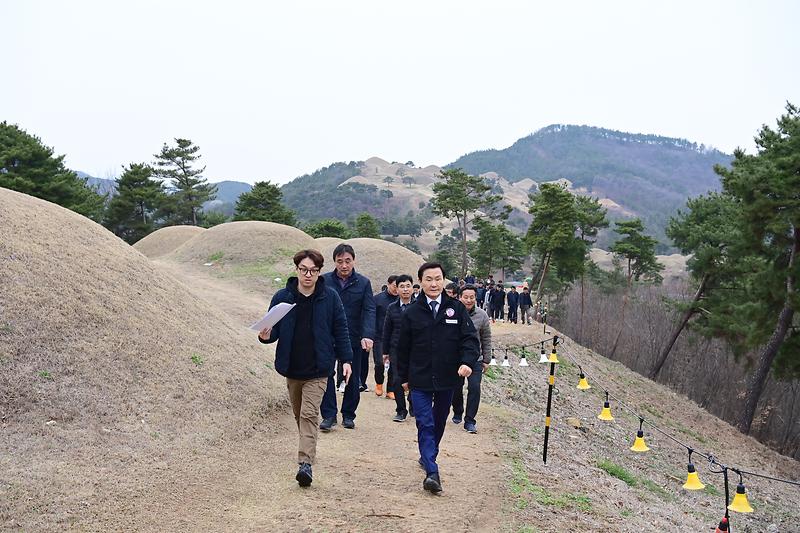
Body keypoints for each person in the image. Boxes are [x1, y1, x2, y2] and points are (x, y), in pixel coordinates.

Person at [258, 249, 353, 487]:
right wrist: (265, 335)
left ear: (319, 272)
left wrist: (346, 360)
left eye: (313, 270)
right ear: (297, 270)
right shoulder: (282, 296)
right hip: (292, 367)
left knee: (309, 414)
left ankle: (305, 464)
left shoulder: (330, 297)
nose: (308, 275)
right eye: (303, 270)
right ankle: (308, 449)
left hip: (319, 369)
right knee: (300, 415)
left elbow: (340, 329)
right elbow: (272, 331)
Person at [397, 262, 480, 493]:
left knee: (439, 421)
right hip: (420, 378)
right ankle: (432, 472)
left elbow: (470, 340)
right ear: (420, 282)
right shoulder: (412, 313)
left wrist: (466, 362)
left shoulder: (456, 309)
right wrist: (402, 377)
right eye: (428, 279)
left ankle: (428, 456)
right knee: (425, 422)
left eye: (438, 279)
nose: (434, 284)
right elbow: (401, 348)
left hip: (448, 378)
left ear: (444, 280)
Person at [319, 243, 376, 431]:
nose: (344, 265)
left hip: (354, 337)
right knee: (326, 374)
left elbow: (369, 309)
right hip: (328, 336)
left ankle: (349, 414)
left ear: (354, 261)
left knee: (352, 376)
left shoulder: (363, 283)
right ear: (334, 262)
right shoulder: (324, 281)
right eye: (340, 261)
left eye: (348, 261)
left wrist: (367, 334)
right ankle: (328, 415)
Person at [451, 284, 492, 433]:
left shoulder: (482, 315)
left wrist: (487, 359)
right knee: (456, 387)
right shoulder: (452, 312)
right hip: (456, 357)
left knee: (474, 387)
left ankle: (470, 420)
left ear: (476, 297)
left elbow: (486, 337)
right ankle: (457, 410)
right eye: (465, 297)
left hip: (476, 358)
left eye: (472, 297)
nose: (468, 300)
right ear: (459, 297)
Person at [381, 274, 415, 420]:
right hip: (396, 349)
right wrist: (385, 351)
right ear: (397, 289)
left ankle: (413, 405)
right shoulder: (392, 308)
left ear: (413, 288)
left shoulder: (419, 306)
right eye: (402, 286)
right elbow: (387, 330)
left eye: (408, 286)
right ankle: (401, 410)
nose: (405, 289)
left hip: (415, 349)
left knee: (415, 378)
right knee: (396, 379)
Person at [372, 275, 398, 397]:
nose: (396, 289)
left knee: (393, 363)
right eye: (394, 286)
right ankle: (379, 383)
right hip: (379, 336)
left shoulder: (400, 301)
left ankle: (390, 390)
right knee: (379, 362)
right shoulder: (377, 299)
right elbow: (371, 316)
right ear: (388, 284)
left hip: (395, 337)